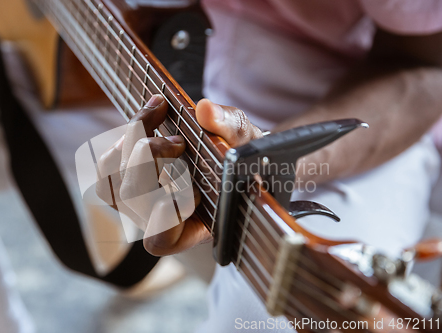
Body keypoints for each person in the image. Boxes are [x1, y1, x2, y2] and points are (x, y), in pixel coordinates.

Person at [0, 1, 442, 333]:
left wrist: (274, 154)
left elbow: (424, 66)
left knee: (271, 320)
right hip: (136, 64)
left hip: (343, 123)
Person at [104, 0, 442, 332]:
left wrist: (273, 160)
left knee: (266, 326)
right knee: (66, 131)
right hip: (196, 71)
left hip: (367, 123)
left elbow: (423, 66)